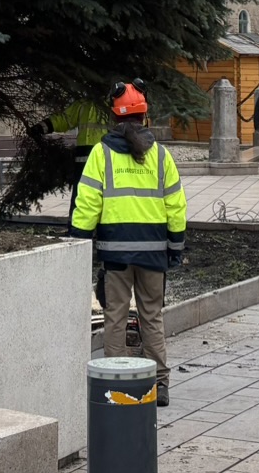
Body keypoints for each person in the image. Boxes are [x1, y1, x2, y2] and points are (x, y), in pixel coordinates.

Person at [70, 83, 186, 407]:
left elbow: (87, 202)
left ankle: (114, 382)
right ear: (145, 116)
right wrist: (175, 247)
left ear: (114, 117)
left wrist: (78, 242)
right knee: (152, 316)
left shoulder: (101, 154)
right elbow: (176, 205)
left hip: (115, 252)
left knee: (115, 316)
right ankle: (160, 383)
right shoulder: (161, 155)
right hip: (154, 253)